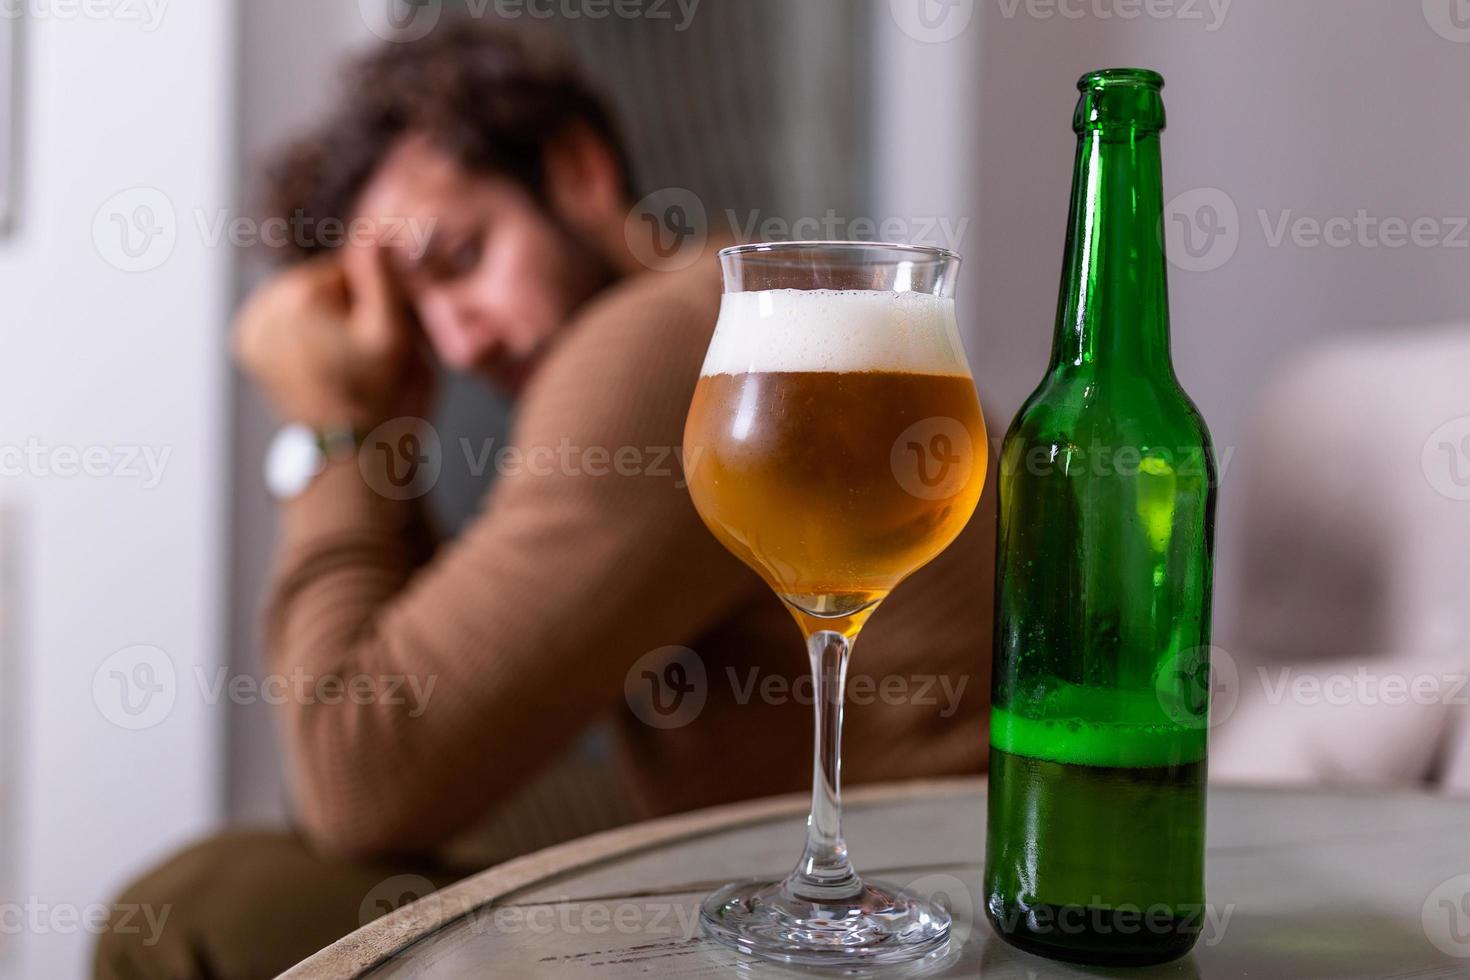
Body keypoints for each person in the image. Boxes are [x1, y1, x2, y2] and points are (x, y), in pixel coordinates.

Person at [95, 21, 994, 979]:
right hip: (836, 832)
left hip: (915, 857)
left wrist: (333, 436)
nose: (456, 342)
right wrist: (384, 429)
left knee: (191, 904)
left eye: (459, 259)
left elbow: (357, 774)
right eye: (410, 317)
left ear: (576, 170)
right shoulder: (701, 317)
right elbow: (424, 720)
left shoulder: (648, 345)